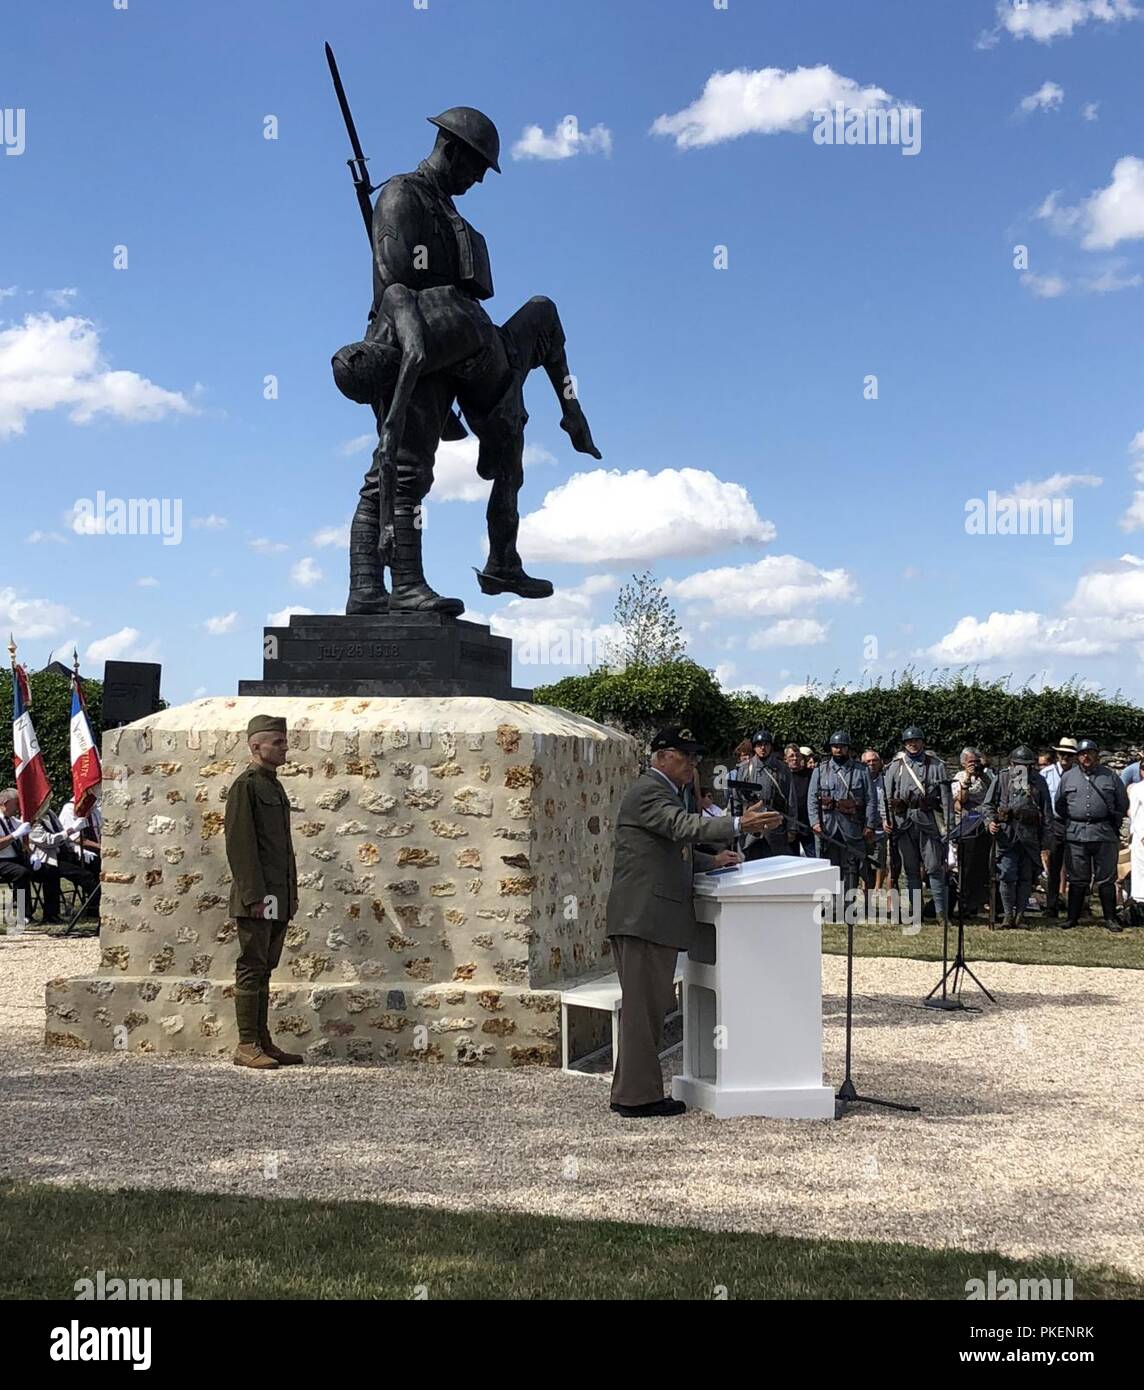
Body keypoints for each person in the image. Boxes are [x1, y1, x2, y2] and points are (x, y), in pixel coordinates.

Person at [335, 107, 601, 617]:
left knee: (541, 320)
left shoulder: (449, 210)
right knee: (402, 472)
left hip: (462, 347)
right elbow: (396, 287)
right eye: (477, 166)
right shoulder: (401, 195)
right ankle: (386, 586)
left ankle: (505, 556)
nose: (479, 178)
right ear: (452, 148)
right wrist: (420, 350)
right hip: (416, 346)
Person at [605, 726, 780, 1118]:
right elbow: (681, 828)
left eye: (695, 757)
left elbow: (669, 851)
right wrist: (738, 825)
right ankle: (639, 1099)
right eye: (685, 756)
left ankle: (630, 1092)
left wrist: (711, 860)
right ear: (663, 755)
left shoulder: (663, 791)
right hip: (643, 917)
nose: (692, 764)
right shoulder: (650, 790)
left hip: (649, 917)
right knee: (643, 1011)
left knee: (646, 1010)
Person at [224, 715, 303, 1068]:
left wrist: (290, 892)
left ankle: (262, 1039)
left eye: (284, 742)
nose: (285, 748)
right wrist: (253, 895)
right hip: (258, 896)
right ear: (256, 746)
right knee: (251, 965)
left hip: (276, 895)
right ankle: (246, 1044)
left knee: (266, 967)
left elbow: (281, 848)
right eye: (278, 742)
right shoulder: (248, 785)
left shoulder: (273, 785)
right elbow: (241, 845)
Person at [1054, 738, 1129, 932]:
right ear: (1078, 757)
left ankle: (1110, 918)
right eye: (1082, 754)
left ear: (1097, 755)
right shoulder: (1068, 777)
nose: (1086, 757)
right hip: (1076, 834)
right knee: (1077, 878)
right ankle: (1073, 917)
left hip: (1103, 834)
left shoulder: (1110, 776)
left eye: (1090, 753)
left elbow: (1122, 804)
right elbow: (1060, 805)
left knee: (1106, 878)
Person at [883, 725, 953, 923]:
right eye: (908, 742)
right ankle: (916, 912)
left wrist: (949, 825)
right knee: (910, 870)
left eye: (916, 741)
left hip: (928, 821)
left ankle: (941, 913)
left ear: (922, 742)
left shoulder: (937, 766)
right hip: (903, 823)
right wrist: (886, 820)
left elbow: (946, 799)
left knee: (934, 868)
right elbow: (887, 798)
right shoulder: (895, 767)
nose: (912, 744)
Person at [807, 732, 877, 916]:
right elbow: (812, 799)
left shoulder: (861, 771)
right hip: (828, 825)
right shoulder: (820, 770)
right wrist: (815, 822)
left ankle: (848, 905)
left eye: (842, 746)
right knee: (829, 866)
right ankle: (830, 904)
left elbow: (871, 800)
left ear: (848, 748)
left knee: (851, 866)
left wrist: (869, 824)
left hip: (851, 825)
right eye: (835, 746)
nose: (838, 749)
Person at [983, 746, 1053, 929]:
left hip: (1029, 836)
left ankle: (1020, 915)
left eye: (1026, 765)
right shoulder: (1002, 778)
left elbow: (1047, 813)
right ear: (1012, 764)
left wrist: (1046, 840)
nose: (1022, 769)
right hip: (1007, 835)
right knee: (1006, 875)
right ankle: (1007, 915)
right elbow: (987, 805)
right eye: (1019, 765)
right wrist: (990, 821)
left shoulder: (1039, 782)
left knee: (1025, 877)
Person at [0, 788, 63, 924]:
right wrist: (14, 835)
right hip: (2, 861)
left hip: (18, 859)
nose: (19, 807)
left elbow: (24, 844)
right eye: (16, 803)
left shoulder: (14, 821)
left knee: (51, 870)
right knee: (21, 873)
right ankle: (24, 914)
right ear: (5, 803)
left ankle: (51, 914)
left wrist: (33, 855)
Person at [30, 806, 100, 921]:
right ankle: (94, 907)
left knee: (95, 864)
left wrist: (75, 848)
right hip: (49, 859)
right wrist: (72, 830)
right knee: (84, 876)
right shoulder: (31, 819)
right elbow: (48, 841)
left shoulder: (50, 813)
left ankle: (95, 907)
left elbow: (61, 832)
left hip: (64, 853)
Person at [735, 729, 796, 861]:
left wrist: (792, 827)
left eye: (766, 744)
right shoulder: (744, 768)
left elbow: (790, 799)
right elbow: (737, 800)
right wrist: (735, 825)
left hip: (774, 825)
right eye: (759, 745)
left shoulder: (782, 768)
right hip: (751, 827)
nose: (763, 748)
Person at [951, 747, 992, 915]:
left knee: (983, 864)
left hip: (985, 822)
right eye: (971, 762)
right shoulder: (959, 777)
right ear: (963, 764)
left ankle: (980, 901)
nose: (974, 765)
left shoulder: (987, 775)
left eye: (977, 762)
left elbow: (994, 792)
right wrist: (968, 777)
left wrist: (983, 775)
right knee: (966, 864)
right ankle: (965, 903)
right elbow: (961, 799)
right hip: (968, 824)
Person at [1039, 740, 1075, 918]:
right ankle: (1051, 905)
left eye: (1069, 755)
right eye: (1062, 754)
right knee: (1054, 866)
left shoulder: (1079, 774)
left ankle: (1077, 905)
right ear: (1057, 755)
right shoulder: (1046, 774)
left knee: (1077, 865)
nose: (1065, 758)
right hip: (1055, 823)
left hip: (1075, 823)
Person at [860, 749, 892, 891]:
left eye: (874, 761)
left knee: (880, 860)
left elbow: (889, 801)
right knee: (862, 860)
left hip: (881, 826)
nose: (871, 764)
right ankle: (864, 889)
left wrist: (887, 819)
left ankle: (878, 890)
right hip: (863, 826)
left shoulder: (886, 780)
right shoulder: (859, 779)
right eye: (868, 761)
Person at [784, 743, 815, 855]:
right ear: (785, 759)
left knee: (814, 859)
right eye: (791, 756)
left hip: (808, 825)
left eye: (797, 755)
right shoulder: (782, 776)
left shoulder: (810, 774)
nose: (795, 758)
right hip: (789, 826)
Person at [1127, 778, 1144, 909]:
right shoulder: (1137, 788)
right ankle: (1139, 902)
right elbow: (1134, 813)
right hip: (1141, 836)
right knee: (1140, 869)